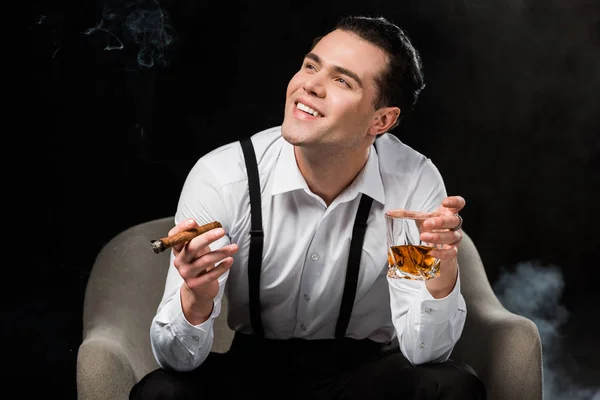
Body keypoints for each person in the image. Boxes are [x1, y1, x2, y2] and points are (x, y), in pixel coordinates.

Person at [130, 15, 487, 400]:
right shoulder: (225, 176)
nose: (310, 86)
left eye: (341, 80)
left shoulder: (411, 184)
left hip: (361, 377)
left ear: (381, 120)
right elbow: (176, 360)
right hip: (249, 377)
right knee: (162, 392)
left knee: (450, 385)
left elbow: (424, 351)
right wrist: (195, 300)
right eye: (311, 65)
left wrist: (439, 273)